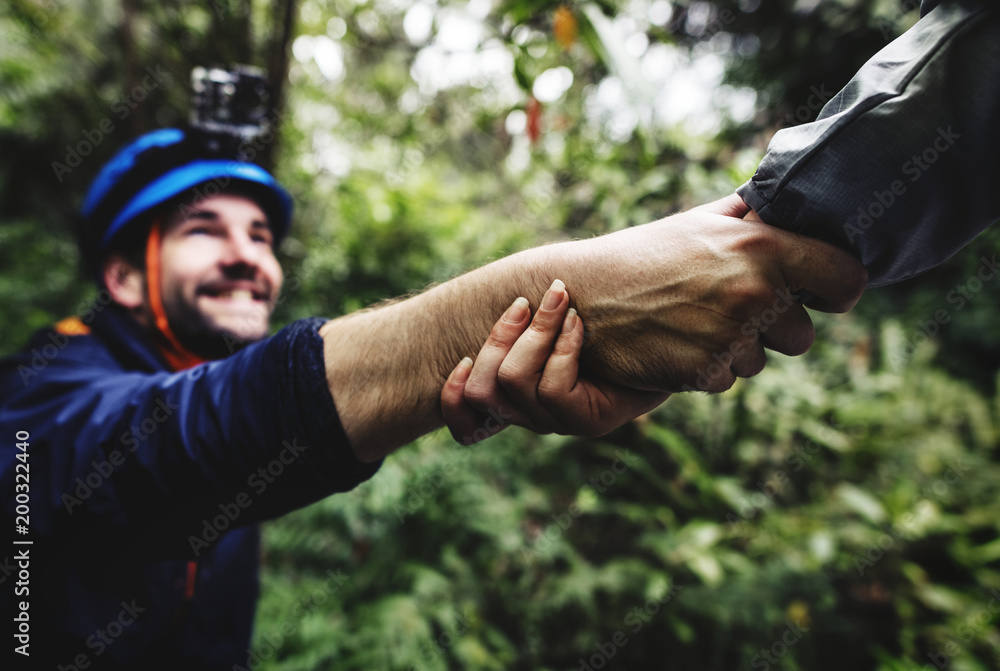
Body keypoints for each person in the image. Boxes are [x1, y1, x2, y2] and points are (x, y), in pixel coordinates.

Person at [0, 122, 863, 669]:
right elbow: (150, 452)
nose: (247, 257)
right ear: (119, 274)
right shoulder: (42, 396)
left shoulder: (197, 375)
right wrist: (515, 300)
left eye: (261, 236)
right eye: (203, 230)